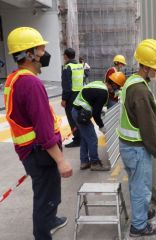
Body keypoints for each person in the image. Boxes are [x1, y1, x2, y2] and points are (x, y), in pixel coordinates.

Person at [4, 27, 73, 240]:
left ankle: (51, 221)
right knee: (45, 196)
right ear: (29, 54)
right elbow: (43, 131)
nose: (44, 54)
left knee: (48, 192)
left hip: (30, 152)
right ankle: (43, 233)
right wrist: (61, 161)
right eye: (41, 49)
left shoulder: (14, 78)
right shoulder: (31, 83)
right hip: (39, 153)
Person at [117, 39, 156, 237]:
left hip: (128, 147)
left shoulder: (132, 81)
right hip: (138, 149)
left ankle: (142, 212)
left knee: (136, 183)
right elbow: (147, 127)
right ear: (146, 67)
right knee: (141, 187)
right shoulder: (140, 91)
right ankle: (139, 226)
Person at [72, 80, 110, 171]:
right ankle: (94, 163)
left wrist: (100, 109)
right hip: (81, 114)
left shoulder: (98, 84)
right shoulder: (104, 92)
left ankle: (84, 162)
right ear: (112, 85)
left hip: (76, 111)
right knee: (92, 138)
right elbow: (96, 114)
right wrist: (101, 126)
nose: (113, 91)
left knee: (86, 138)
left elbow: (92, 99)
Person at [61, 48, 84, 148]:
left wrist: (64, 99)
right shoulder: (80, 66)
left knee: (71, 118)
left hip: (71, 97)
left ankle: (77, 139)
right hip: (80, 95)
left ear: (66, 56)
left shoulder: (67, 67)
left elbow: (67, 86)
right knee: (78, 117)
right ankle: (81, 137)